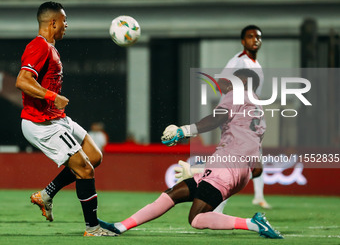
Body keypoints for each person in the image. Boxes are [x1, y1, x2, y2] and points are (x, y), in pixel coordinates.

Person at [98, 69, 283, 239]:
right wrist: (205, 171)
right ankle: (120, 226)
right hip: (236, 170)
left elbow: (217, 117)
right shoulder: (258, 113)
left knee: (196, 218)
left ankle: (253, 224)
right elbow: (257, 169)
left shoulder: (237, 94)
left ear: (242, 83)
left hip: (226, 166)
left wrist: (184, 130)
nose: (227, 83)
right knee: (172, 194)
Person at [15, 1, 116, 236]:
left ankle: (47, 195)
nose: (66, 25)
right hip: (41, 123)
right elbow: (22, 81)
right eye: (64, 20)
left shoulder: (50, 47)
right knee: (85, 170)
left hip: (57, 118)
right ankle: (93, 228)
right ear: (53, 22)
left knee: (93, 156)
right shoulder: (38, 46)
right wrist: (52, 95)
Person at [176, 25, 270, 211]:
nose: (255, 40)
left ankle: (249, 197)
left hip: (249, 115)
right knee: (245, 165)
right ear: (243, 41)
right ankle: (212, 195)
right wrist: (233, 99)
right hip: (235, 115)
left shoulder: (255, 64)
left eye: (258, 37)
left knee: (255, 166)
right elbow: (222, 81)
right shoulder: (239, 60)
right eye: (250, 37)